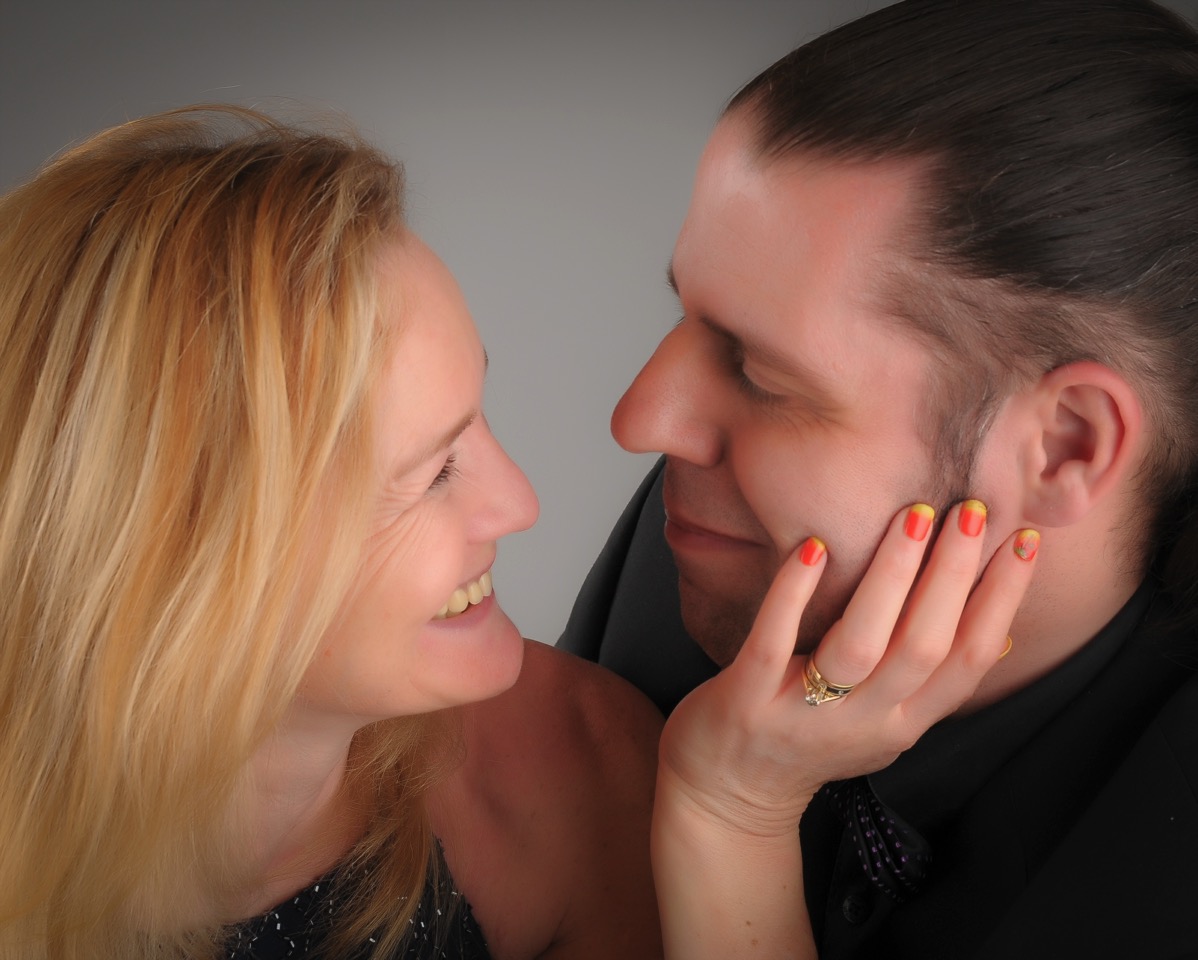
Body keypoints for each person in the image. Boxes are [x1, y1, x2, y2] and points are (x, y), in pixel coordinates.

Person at [0, 103, 1030, 960]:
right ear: (174, 552)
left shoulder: (570, 776)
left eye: (479, 419)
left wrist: (734, 814)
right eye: (434, 471)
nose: (518, 503)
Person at [560, 0, 1198, 957]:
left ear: (1065, 446)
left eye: (758, 374)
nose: (641, 420)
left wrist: (730, 814)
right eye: (686, 315)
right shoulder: (712, 546)